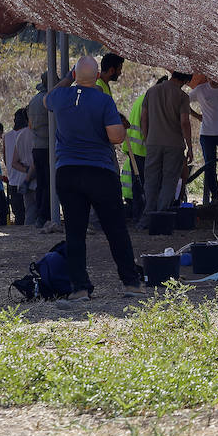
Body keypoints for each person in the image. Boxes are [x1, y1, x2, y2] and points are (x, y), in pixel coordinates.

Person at [46, 56, 143, 299]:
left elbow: (47, 98)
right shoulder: (103, 100)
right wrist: (121, 126)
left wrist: (68, 78)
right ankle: (130, 283)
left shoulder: (61, 97)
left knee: (75, 233)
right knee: (116, 229)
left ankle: (79, 288)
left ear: (75, 75)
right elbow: (115, 137)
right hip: (99, 171)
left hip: (67, 171)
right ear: (98, 75)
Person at [138, 72, 194, 231]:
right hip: (174, 145)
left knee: (151, 180)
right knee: (169, 181)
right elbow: (184, 122)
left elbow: (144, 118)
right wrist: (190, 147)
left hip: (153, 143)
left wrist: (148, 138)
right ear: (185, 79)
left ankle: (147, 217)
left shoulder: (152, 91)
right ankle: (160, 218)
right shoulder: (182, 96)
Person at [122, 75, 164, 217]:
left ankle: (137, 214)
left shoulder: (143, 98)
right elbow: (147, 125)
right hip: (141, 149)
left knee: (137, 184)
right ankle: (143, 215)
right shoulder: (150, 101)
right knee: (145, 185)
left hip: (133, 147)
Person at [26, 74, 54, 229]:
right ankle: (46, 215)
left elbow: (30, 125)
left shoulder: (33, 101)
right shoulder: (49, 100)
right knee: (50, 183)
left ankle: (40, 216)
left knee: (41, 183)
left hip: (37, 146)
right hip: (49, 146)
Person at [3, 108, 31, 225]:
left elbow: (5, 158)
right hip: (27, 178)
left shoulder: (7, 136)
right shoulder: (27, 134)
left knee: (18, 214)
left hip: (12, 180)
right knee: (30, 212)